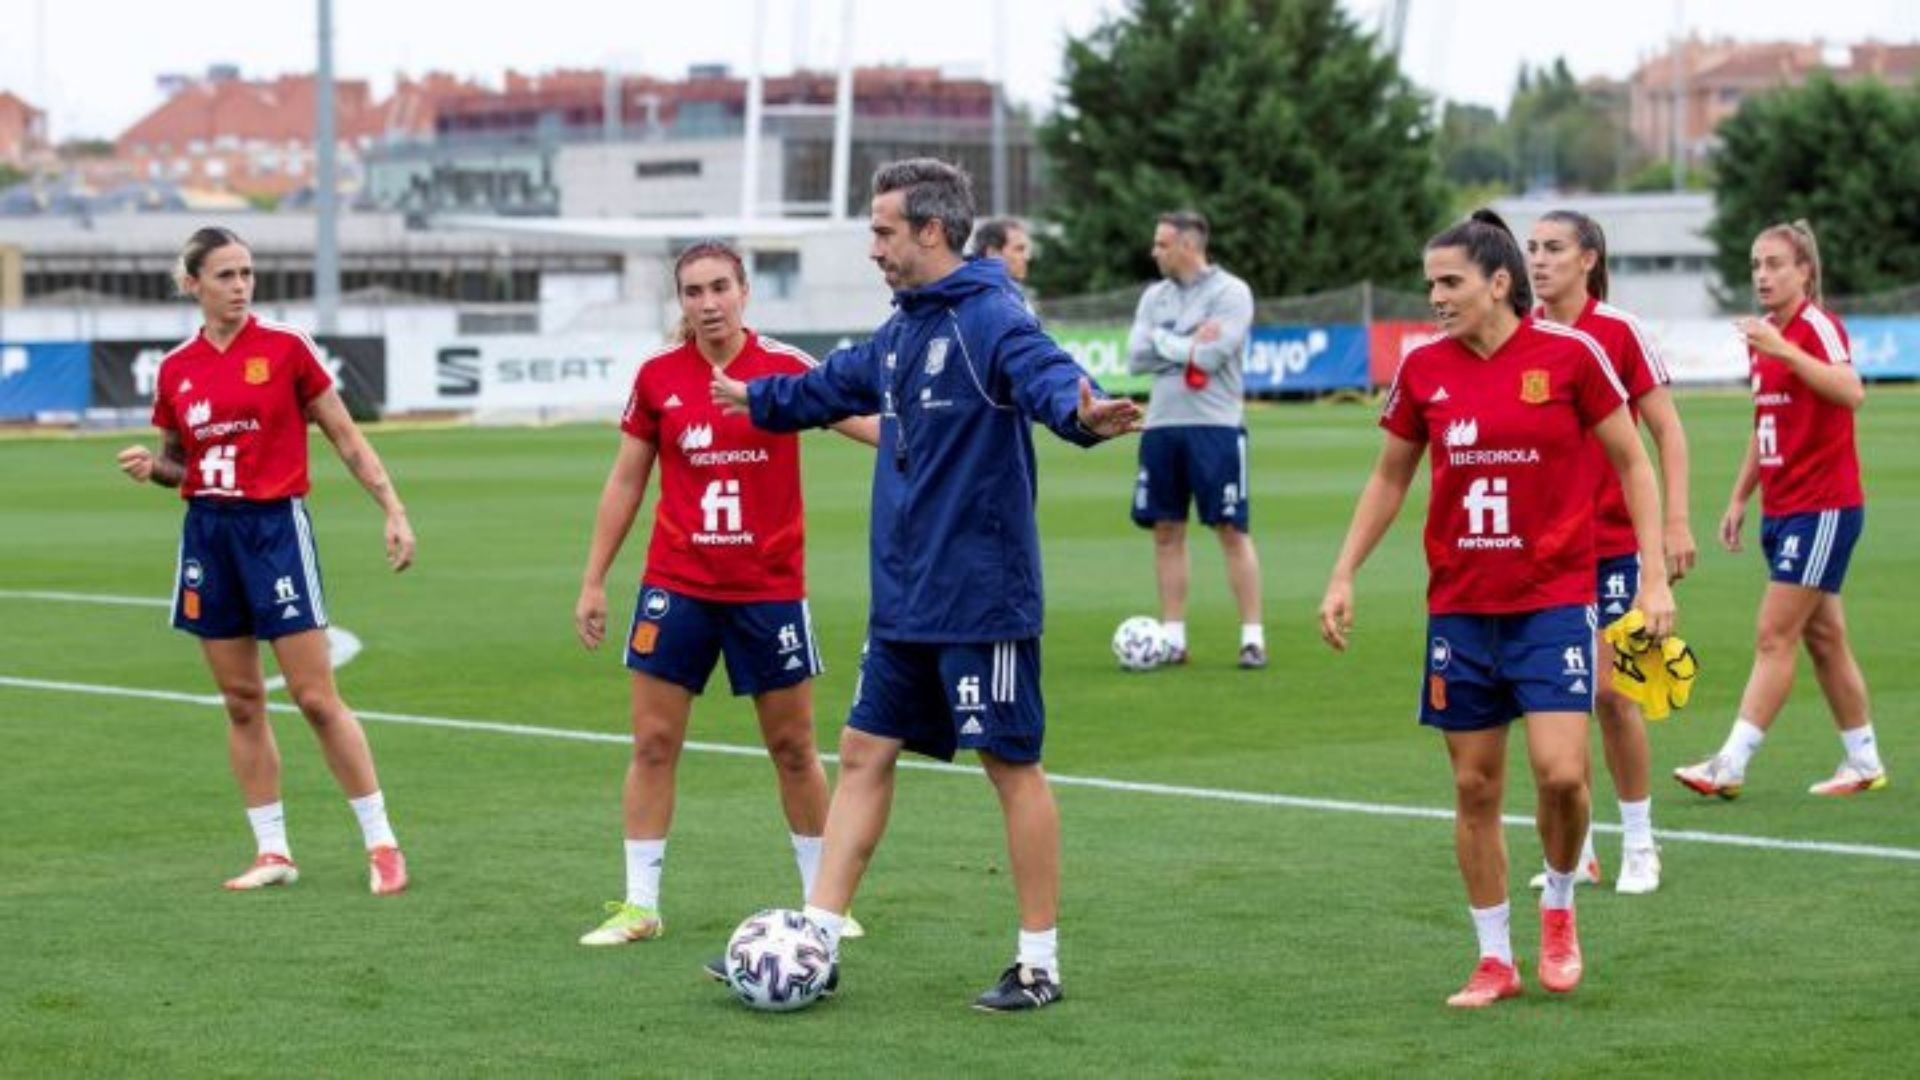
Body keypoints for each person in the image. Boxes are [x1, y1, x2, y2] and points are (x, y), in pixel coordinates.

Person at [711, 158, 1142, 1012]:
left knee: (1010, 765)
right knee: (865, 751)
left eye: (882, 230)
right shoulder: (904, 328)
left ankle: (1038, 962)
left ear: (932, 232)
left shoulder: (991, 320)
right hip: (904, 599)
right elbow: (832, 385)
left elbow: (1052, 380)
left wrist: (1084, 416)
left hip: (982, 600)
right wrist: (756, 396)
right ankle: (815, 943)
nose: (872, 247)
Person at [1318, 210, 1674, 1009]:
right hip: (1460, 609)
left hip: (1553, 601)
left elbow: (1634, 461)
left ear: (1499, 282)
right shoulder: (1423, 371)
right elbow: (1389, 478)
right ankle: (1494, 958)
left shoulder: (1572, 356)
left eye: (1450, 282)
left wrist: (1654, 578)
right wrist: (1344, 572)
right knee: (1475, 789)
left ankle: (1557, 903)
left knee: (1564, 776)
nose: (1436, 297)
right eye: (1430, 284)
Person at [573, 240, 878, 946]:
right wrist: (593, 578)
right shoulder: (657, 378)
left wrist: (945, 440)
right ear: (679, 300)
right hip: (676, 585)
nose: (707, 303)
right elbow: (627, 480)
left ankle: (822, 902)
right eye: (692, 291)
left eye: (719, 288)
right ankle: (639, 906)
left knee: (794, 747)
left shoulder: (783, 367)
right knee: (652, 743)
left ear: (744, 290)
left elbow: (866, 426)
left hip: (768, 590)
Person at [114, 226, 414, 896]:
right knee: (242, 700)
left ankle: (382, 842)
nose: (241, 286)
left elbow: (345, 435)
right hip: (209, 536)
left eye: (247, 273)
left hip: (273, 531)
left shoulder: (284, 349)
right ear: (193, 284)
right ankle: (273, 850)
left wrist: (392, 508)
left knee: (314, 697)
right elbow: (180, 466)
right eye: (225, 275)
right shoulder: (176, 369)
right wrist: (151, 469)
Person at [1674, 221, 1884, 799]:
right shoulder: (1764, 334)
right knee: (1825, 639)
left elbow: (1851, 391)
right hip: (1785, 508)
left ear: (1804, 272)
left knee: (1774, 635)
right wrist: (1743, 495)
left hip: (1823, 508)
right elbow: (1765, 420)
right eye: (1755, 265)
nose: (1762, 276)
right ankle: (1863, 759)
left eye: (1774, 264)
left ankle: (1730, 764)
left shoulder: (1814, 327)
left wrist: (1787, 351)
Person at [1527, 210, 1695, 895]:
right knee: (1563, 703)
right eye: (1532, 248)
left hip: (1617, 544)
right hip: (1547, 553)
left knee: (1614, 695)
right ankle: (1581, 851)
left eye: (1555, 248)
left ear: (1589, 258)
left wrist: (1675, 525)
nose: (1540, 260)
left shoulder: (1618, 332)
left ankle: (1641, 842)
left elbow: (1668, 434)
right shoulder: (1523, 334)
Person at [1125, 211, 1264, 667]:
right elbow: (1135, 358)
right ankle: (1172, 638)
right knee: (1166, 531)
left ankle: (1251, 637)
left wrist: (1168, 343)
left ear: (1187, 245)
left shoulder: (1232, 293)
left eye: (1162, 244)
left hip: (1216, 425)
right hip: (1161, 425)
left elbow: (1212, 355)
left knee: (1230, 529)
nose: (1155, 251)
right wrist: (1184, 341)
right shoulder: (1154, 296)